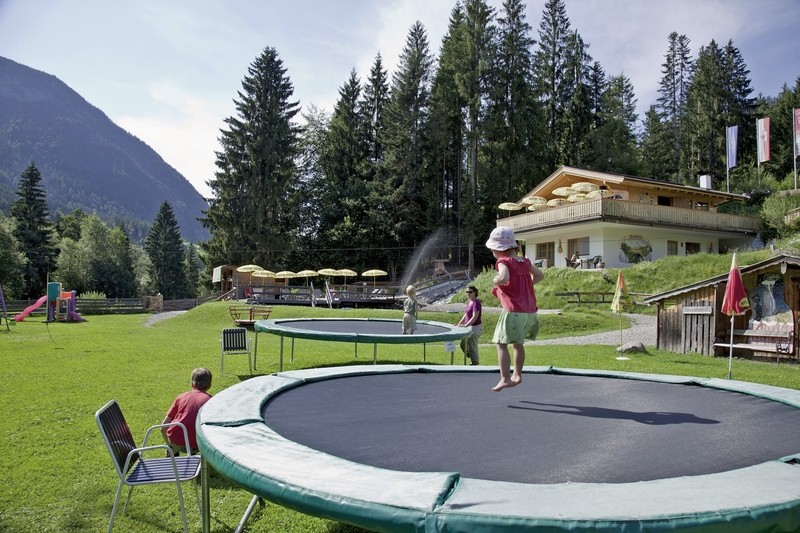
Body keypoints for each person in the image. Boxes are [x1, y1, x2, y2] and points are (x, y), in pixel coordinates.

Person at [485, 226, 544, 392]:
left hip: (513, 311)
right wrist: (524, 286)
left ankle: (505, 378)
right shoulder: (524, 261)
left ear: (498, 249)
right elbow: (540, 275)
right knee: (518, 344)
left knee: (501, 344)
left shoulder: (503, 261)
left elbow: (503, 277)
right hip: (529, 311)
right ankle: (517, 374)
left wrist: (496, 280)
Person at [161, 367, 213, 455]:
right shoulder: (211, 401)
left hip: (176, 440)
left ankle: (172, 452)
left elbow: (163, 427)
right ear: (209, 385)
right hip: (197, 444)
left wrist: (170, 445)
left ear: (192, 384)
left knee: (174, 444)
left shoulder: (181, 397)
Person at [456, 285, 482, 365]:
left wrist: (465, 325)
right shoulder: (469, 302)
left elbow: (475, 316)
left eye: (470, 292)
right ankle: (470, 355)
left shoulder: (476, 302)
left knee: (472, 345)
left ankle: (475, 362)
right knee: (463, 344)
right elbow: (466, 314)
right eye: (467, 292)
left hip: (475, 327)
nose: (468, 293)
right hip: (468, 327)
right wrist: (460, 323)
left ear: (475, 293)